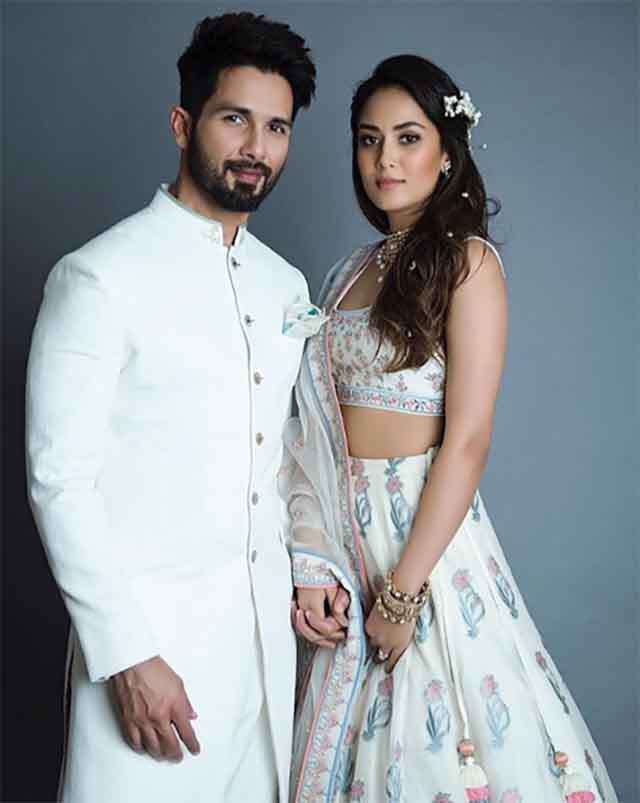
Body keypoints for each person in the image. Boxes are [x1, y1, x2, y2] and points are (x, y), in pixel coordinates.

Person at [281, 55, 619, 803]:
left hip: (425, 548)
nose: (385, 159)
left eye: (408, 138)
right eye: (369, 140)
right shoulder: (344, 274)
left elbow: (467, 439)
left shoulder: (469, 265)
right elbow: (309, 429)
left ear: (445, 153)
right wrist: (316, 557)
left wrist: (403, 595)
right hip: (346, 546)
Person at [25, 12, 316, 803]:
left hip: (265, 665)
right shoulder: (99, 277)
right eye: (235, 119)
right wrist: (125, 654)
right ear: (183, 124)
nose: (257, 147)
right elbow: (59, 479)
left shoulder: (284, 285)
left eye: (277, 127)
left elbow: (287, 455)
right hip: (151, 663)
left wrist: (314, 571)